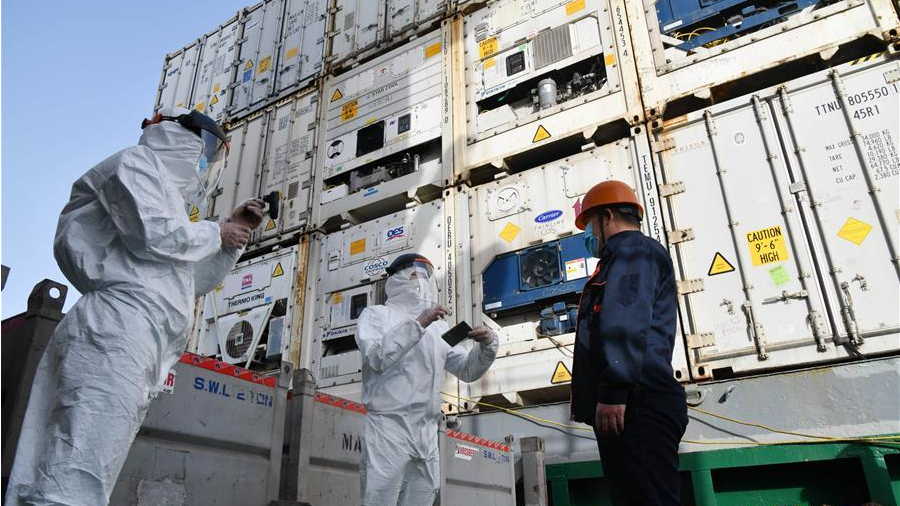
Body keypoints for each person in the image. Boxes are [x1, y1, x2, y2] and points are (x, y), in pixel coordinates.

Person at [4, 108, 265, 506]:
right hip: (115, 328)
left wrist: (231, 237)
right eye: (209, 150)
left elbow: (189, 282)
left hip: (138, 337)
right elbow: (152, 235)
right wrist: (216, 231)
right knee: (78, 469)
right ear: (187, 139)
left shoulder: (172, 206)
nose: (206, 164)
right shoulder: (137, 164)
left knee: (86, 463)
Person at [569, 180, 688, 506]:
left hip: (637, 403)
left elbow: (624, 321)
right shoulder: (620, 259)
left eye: (589, 224)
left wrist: (613, 392)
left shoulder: (634, 251)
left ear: (607, 216)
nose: (588, 234)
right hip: (635, 403)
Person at [355, 253, 499, 506]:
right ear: (396, 279)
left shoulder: (439, 328)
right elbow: (377, 357)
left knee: (422, 497)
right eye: (415, 275)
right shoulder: (376, 316)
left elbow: (466, 370)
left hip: (426, 430)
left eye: (427, 276)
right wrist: (419, 323)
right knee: (380, 498)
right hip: (388, 426)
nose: (422, 281)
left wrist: (487, 344)